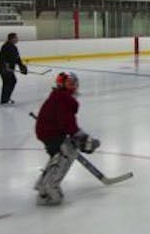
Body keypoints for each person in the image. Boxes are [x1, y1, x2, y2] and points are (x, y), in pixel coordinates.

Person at [33, 72, 100, 206]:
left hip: (48, 131)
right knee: (68, 153)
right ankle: (51, 187)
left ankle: (42, 184)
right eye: (70, 83)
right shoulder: (65, 99)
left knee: (58, 155)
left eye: (74, 83)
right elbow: (67, 123)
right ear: (61, 84)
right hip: (50, 132)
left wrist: (78, 135)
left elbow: (65, 122)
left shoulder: (59, 96)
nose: (74, 86)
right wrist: (82, 137)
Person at [0, 32, 28, 105]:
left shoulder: (14, 47)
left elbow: (17, 58)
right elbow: (2, 57)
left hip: (9, 68)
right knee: (8, 82)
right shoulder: (6, 46)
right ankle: (4, 100)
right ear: (12, 39)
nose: (17, 39)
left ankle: (6, 98)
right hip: (4, 68)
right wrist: (5, 66)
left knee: (12, 81)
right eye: (16, 38)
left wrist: (21, 66)